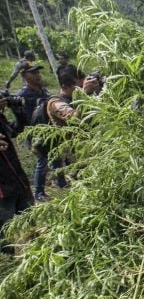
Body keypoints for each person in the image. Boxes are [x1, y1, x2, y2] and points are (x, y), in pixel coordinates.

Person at [33, 68, 98, 201]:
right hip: (68, 153)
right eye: (78, 86)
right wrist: (85, 94)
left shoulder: (74, 98)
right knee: (84, 191)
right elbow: (74, 119)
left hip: (83, 150)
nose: (80, 89)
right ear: (64, 86)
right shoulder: (55, 103)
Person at [0, 98, 34, 254]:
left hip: (17, 180)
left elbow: (18, 130)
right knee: (4, 233)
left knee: (31, 221)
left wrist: (17, 110)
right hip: (2, 191)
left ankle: (37, 253)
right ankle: (9, 265)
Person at [11, 65, 50, 132]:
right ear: (23, 75)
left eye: (38, 72)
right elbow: (23, 121)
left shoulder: (43, 90)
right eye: (33, 73)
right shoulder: (22, 95)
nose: (37, 75)